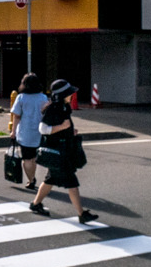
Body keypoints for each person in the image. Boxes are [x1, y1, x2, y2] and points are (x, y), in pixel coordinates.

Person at [29, 79, 98, 224]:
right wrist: (62, 127)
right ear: (62, 95)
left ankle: (35, 204)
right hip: (58, 152)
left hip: (63, 151)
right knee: (72, 183)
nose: (72, 95)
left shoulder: (64, 107)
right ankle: (81, 214)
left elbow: (64, 126)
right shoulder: (54, 108)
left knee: (50, 180)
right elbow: (43, 129)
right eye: (69, 93)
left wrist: (70, 131)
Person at [10, 73, 49, 190]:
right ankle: (32, 178)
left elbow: (16, 116)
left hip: (25, 133)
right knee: (34, 158)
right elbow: (45, 113)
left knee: (26, 159)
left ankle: (31, 180)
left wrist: (13, 132)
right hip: (39, 132)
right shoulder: (43, 97)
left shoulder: (21, 97)